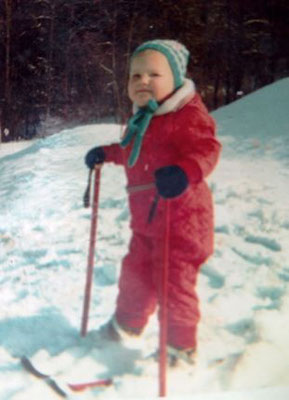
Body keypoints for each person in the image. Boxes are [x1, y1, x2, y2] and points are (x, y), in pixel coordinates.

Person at [85, 39, 221, 364]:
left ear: (175, 80)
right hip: (147, 222)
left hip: (182, 222)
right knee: (135, 274)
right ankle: (127, 325)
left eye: (153, 74)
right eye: (135, 76)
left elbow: (208, 149)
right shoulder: (143, 120)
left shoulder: (187, 114)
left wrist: (185, 172)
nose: (143, 81)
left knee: (172, 285)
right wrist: (106, 153)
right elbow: (131, 152)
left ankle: (180, 349)